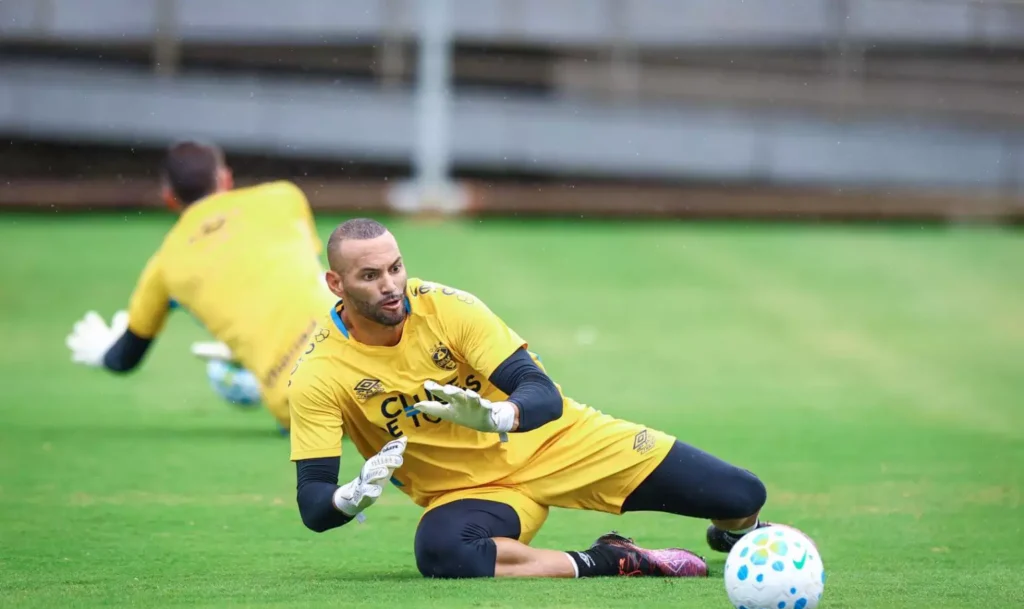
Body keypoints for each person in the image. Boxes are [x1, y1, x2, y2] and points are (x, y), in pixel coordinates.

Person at [288, 218, 770, 578]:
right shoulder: (319, 373)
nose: (391, 286)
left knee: (742, 495)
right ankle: (611, 559)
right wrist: (348, 498)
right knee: (441, 551)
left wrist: (496, 416)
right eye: (370, 276)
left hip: (561, 442)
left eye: (395, 268)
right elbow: (313, 504)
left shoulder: (448, 308)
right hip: (472, 494)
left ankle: (735, 534)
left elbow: (542, 395)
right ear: (336, 284)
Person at [65, 141, 334, 430]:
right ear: (225, 178)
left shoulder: (165, 265)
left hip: (295, 400)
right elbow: (311, 279)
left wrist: (104, 353)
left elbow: (124, 359)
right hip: (354, 352)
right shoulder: (283, 197)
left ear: (169, 198)